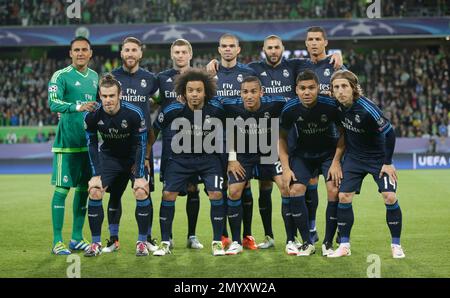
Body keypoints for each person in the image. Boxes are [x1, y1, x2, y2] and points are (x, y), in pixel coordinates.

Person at [207, 33, 343, 249]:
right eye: (268, 48)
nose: (273, 51)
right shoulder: (250, 73)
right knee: (238, 190)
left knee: (292, 186)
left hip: (276, 145)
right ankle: (237, 240)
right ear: (263, 49)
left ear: (282, 48)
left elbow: (315, 62)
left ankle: (294, 237)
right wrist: (215, 65)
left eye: (276, 47)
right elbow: (230, 77)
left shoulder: (293, 70)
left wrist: (333, 57)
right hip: (245, 147)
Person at [328, 70, 405, 259]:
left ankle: (396, 245)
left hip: (378, 159)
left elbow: (390, 133)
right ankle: (344, 245)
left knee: (389, 196)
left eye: (344, 86)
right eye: (336, 87)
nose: (340, 91)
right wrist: (337, 160)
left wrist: (387, 163)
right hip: (354, 158)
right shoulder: (336, 107)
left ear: (354, 88)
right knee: (344, 196)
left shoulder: (367, 109)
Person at [149, 69, 226, 256]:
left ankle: (217, 242)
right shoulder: (173, 109)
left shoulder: (217, 108)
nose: (194, 94)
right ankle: (166, 242)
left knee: (216, 194)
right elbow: (154, 131)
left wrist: (231, 159)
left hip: (209, 159)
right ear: (184, 92)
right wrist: (144, 156)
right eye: (190, 90)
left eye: (198, 90)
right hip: (180, 159)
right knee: (167, 194)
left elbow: (234, 129)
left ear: (205, 92)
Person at [101, 37, 158, 254]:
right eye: (127, 50)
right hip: (115, 146)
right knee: (115, 194)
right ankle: (113, 239)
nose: (131, 54)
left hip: (141, 146)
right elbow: (100, 103)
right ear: (122, 53)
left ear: (140, 54)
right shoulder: (111, 77)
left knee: (144, 191)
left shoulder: (150, 79)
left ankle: (146, 238)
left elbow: (162, 99)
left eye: (134, 50)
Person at [219, 76, 289, 255]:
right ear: (240, 93)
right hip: (244, 156)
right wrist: (232, 158)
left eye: (253, 91)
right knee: (234, 192)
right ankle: (236, 241)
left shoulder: (275, 104)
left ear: (261, 93)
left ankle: (289, 240)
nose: (249, 96)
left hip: (268, 154)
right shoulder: (231, 106)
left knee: (286, 188)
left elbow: (297, 100)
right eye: (245, 92)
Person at [83, 74, 150, 257]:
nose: (108, 100)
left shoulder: (134, 113)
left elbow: (141, 144)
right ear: (100, 95)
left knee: (142, 190)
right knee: (95, 190)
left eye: (112, 96)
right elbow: (91, 143)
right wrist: (96, 173)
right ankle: (95, 243)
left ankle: (142, 242)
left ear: (119, 95)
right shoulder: (92, 115)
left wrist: (139, 175)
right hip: (109, 157)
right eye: (104, 96)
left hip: (132, 158)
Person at [279, 70, 344, 256]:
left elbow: (343, 133)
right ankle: (307, 242)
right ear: (296, 90)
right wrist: (285, 168)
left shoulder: (330, 105)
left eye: (311, 88)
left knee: (333, 190)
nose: (307, 92)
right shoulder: (290, 108)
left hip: (328, 155)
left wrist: (336, 161)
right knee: (295, 190)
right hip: (303, 155)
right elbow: (281, 139)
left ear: (318, 88)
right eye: (302, 88)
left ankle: (328, 243)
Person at [48, 36, 98, 255]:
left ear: (90, 53)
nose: (80, 53)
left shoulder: (95, 76)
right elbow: (52, 102)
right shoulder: (60, 76)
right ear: (70, 53)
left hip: (87, 145)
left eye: (84, 49)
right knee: (61, 190)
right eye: (76, 50)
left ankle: (77, 238)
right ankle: (57, 241)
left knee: (84, 190)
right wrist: (77, 106)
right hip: (67, 144)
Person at [153, 38, 204, 250]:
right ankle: (168, 237)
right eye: (177, 52)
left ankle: (192, 236)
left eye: (184, 51)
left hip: (196, 141)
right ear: (172, 54)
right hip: (170, 144)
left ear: (190, 54)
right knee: (169, 190)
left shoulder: (199, 78)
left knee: (193, 189)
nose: (180, 55)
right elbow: (155, 103)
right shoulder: (162, 79)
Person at [213, 33, 258, 250]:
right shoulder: (210, 74)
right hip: (213, 139)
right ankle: (223, 236)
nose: (228, 49)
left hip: (241, 139)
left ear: (238, 50)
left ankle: (246, 235)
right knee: (219, 188)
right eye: (224, 46)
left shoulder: (248, 73)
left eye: (232, 46)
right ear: (219, 49)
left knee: (242, 185)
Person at [302, 26, 347, 244]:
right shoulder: (299, 66)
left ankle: (335, 233)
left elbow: (349, 94)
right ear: (306, 43)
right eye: (310, 39)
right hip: (306, 140)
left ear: (325, 42)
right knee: (309, 187)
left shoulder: (336, 66)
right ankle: (311, 229)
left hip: (332, 141)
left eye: (318, 39)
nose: (314, 43)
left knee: (334, 190)